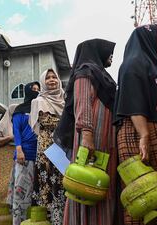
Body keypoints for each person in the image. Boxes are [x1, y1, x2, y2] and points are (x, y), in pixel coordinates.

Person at [113, 24, 157, 225]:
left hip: (153, 130)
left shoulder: (152, 62)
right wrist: (144, 135)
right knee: (145, 192)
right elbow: (134, 103)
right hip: (139, 132)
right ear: (147, 38)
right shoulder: (133, 64)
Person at [53, 39, 119, 225]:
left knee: (101, 184)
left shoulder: (101, 74)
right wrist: (87, 136)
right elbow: (83, 104)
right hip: (93, 138)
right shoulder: (85, 72)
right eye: (108, 53)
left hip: (105, 138)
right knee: (87, 184)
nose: (111, 57)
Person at [30, 69, 65, 225]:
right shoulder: (38, 101)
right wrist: (68, 123)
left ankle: (64, 217)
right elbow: (46, 122)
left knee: (63, 179)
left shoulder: (65, 99)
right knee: (48, 180)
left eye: (54, 77)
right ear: (43, 81)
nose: (52, 80)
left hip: (64, 146)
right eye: (48, 78)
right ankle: (49, 218)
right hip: (48, 147)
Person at [8, 81, 40, 225]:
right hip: (24, 154)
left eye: (38, 89)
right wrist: (19, 150)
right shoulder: (20, 110)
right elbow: (17, 132)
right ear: (27, 91)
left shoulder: (40, 108)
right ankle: (18, 222)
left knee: (35, 192)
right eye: (33, 89)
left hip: (39, 154)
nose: (36, 92)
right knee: (22, 193)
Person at [0, 104, 18, 202]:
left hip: (17, 153)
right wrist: (9, 138)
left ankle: (13, 204)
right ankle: (0, 203)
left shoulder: (21, 122)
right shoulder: (2, 124)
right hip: (3, 155)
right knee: (1, 180)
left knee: (15, 179)